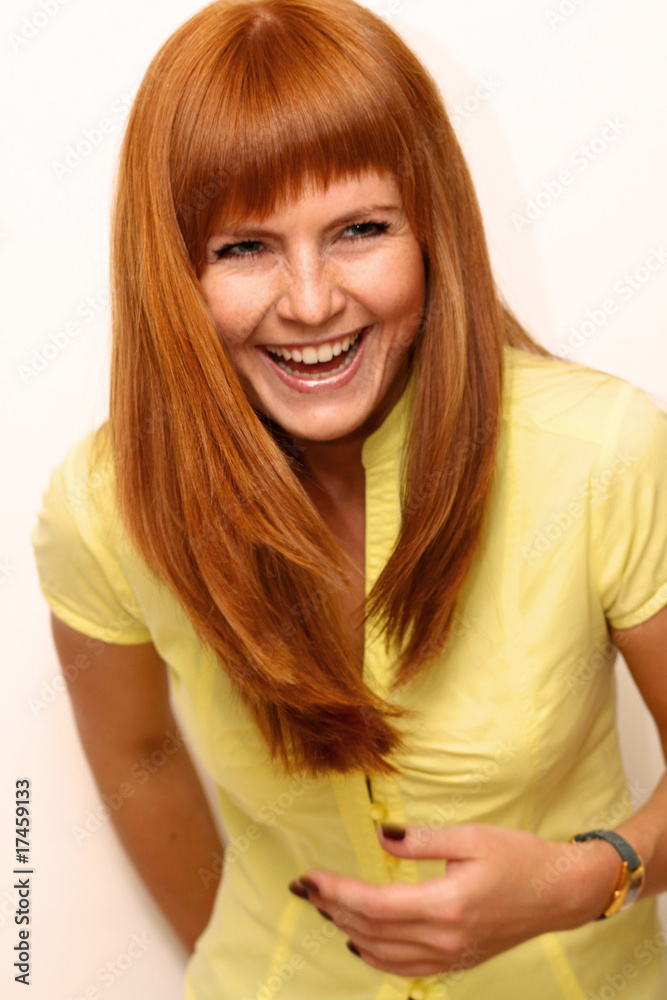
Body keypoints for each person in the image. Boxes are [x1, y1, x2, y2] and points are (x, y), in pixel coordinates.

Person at [31, 0, 667, 997]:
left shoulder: (603, 451)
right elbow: (137, 756)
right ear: (172, 269)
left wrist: (581, 880)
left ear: (431, 229)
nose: (312, 301)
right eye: (244, 248)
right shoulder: (102, 503)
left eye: (360, 230)